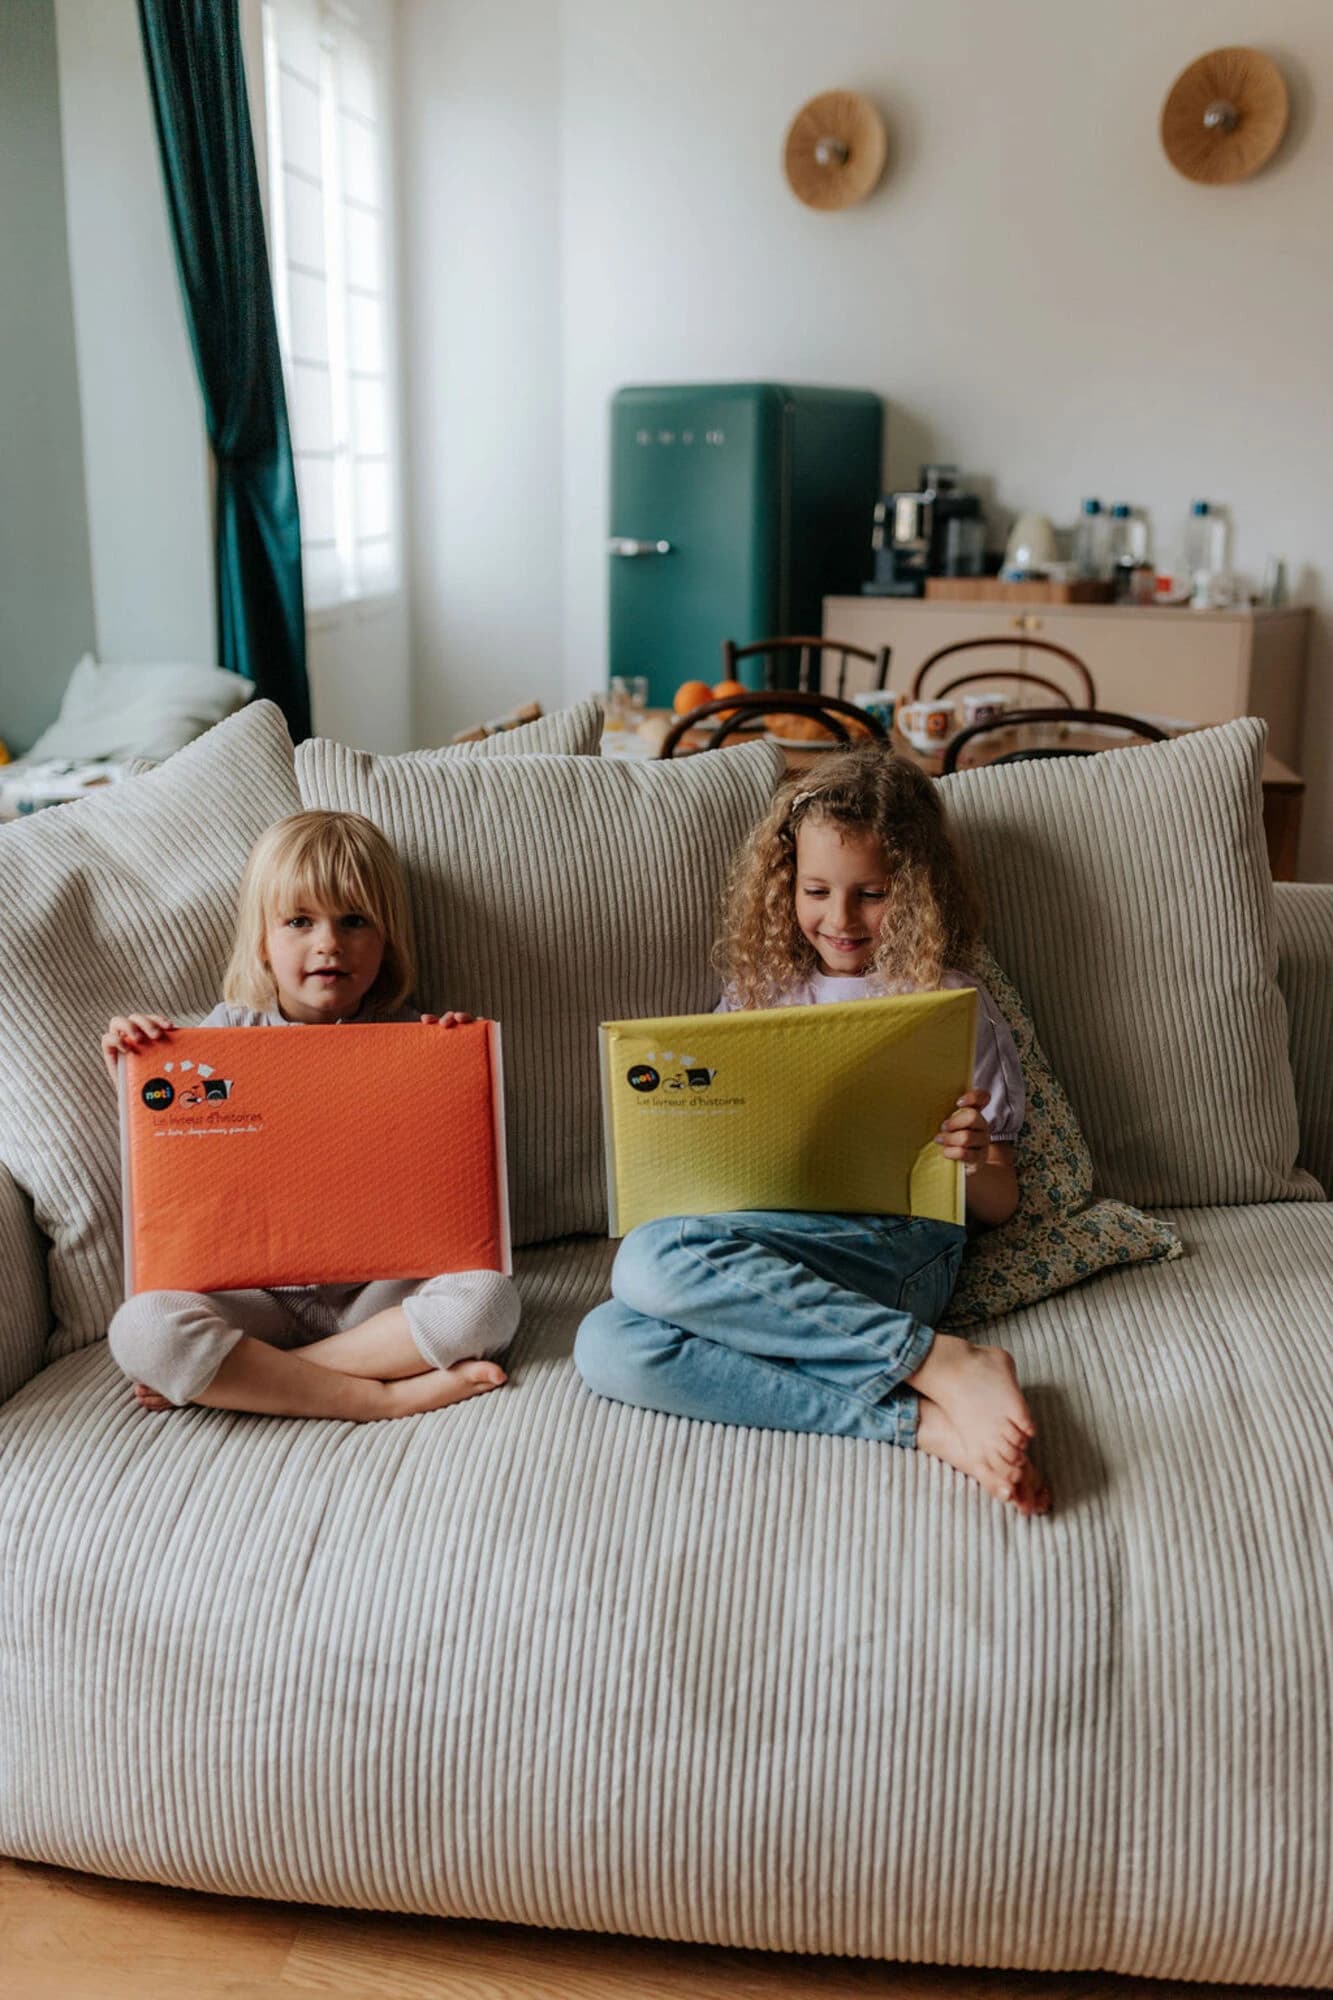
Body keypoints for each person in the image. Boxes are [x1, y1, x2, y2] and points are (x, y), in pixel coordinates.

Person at [575, 746, 1049, 1514]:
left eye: (872, 894)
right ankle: (921, 1423)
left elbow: (1000, 1204)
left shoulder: (946, 1000)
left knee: (650, 1261)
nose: (840, 918)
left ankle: (939, 1358)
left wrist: (968, 1161)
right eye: (817, 890)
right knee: (607, 1344)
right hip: (768, 1240)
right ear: (785, 885)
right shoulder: (759, 993)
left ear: (917, 892)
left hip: (900, 1248)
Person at [104, 810, 518, 1422]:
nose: (329, 943)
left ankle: (258, 1378)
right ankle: (378, 1397)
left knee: (489, 1301)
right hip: (255, 1296)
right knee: (142, 1330)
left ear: (387, 941)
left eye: (354, 922)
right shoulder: (221, 1037)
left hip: (375, 1296)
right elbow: (171, 1145)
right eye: (300, 921)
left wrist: (457, 1067)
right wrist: (132, 1060)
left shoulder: (414, 1039)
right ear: (263, 943)